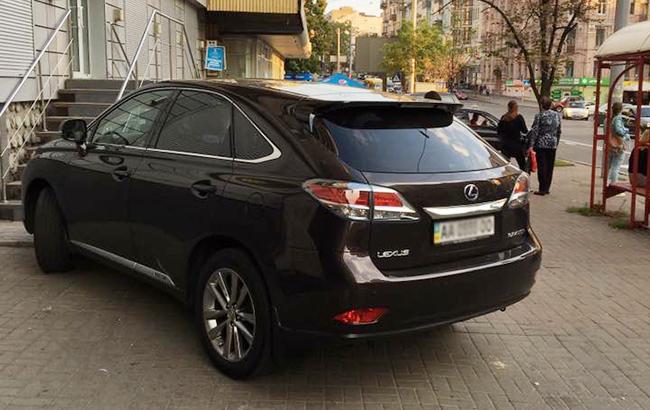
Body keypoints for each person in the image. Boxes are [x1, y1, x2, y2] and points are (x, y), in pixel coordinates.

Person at [528, 96, 561, 195]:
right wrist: (556, 142)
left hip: (541, 144)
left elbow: (535, 131)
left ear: (541, 105)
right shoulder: (556, 115)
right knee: (550, 166)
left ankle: (542, 189)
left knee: (542, 166)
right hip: (552, 144)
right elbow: (559, 130)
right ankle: (547, 188)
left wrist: (531, 145)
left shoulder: (539, 116)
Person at [497, 100, 528, 170]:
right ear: (516, 108)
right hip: (516, 144)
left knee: (505, 164)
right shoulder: (519, 117)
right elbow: (524, 130)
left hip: (505, 144)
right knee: (522, 164)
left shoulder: (503, 118)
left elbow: (499, 131)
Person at [608, 102, 631, 185]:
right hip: (618, 145)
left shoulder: (611, 119)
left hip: (612, 144)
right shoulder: (618, 118)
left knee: (610, 165)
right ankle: (613, 183)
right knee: (616, 166)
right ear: (621, 109)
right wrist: (626, 131)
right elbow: (618, 130)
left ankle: (608, 183)